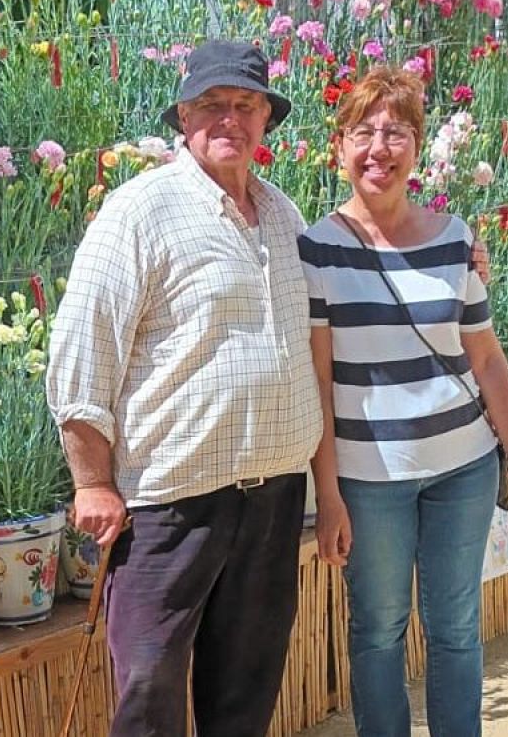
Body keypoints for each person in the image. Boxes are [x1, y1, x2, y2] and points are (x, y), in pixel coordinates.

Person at [46, 40, 322, 737]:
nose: (230, 118)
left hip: (273, 498)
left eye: (246, 105)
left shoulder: (286, 217)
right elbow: (82, 355)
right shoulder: (140, 211)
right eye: (212, 105)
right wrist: (93, 482)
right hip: (168, 508)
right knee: (149, 692)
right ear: (183, 118)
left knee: (245, 696)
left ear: (266, 121)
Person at [300, 65, 508, 737]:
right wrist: (329, 494)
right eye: (364, 131)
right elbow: (317, 380)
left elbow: (486, 356)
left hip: (463, 467)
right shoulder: (316, 248)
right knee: (377, 631)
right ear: (340, 146)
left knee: (457, 628)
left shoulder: (453, 237)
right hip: (368, 481)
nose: (380, 147)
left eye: (396, 131)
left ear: (417, 145)